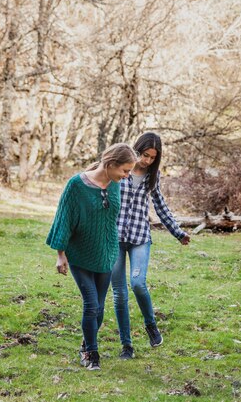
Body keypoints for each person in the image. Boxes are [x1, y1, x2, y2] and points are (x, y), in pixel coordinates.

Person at [46, 143, 137, 371]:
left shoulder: (114, 185)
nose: (126, 176)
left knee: (100, 308)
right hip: (80, 254)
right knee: (91, 305)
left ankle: (86, 344)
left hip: (106, 254)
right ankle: (91, 354)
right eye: (125, 170)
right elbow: (63, 219)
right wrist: (60, 254)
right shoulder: (76, 185)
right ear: (110, 164)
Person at [111, 132, 190, 360]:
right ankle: (127, 345)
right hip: (114, 238)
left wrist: (178, 233)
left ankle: (151, 325)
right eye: (144, 155)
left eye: (152, 158)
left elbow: (161, 207)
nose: (146, 161)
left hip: (140, 237)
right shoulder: (120, 170)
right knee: (119, 294)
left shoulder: (152, 178)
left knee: (137, 283)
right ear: (137, 150)